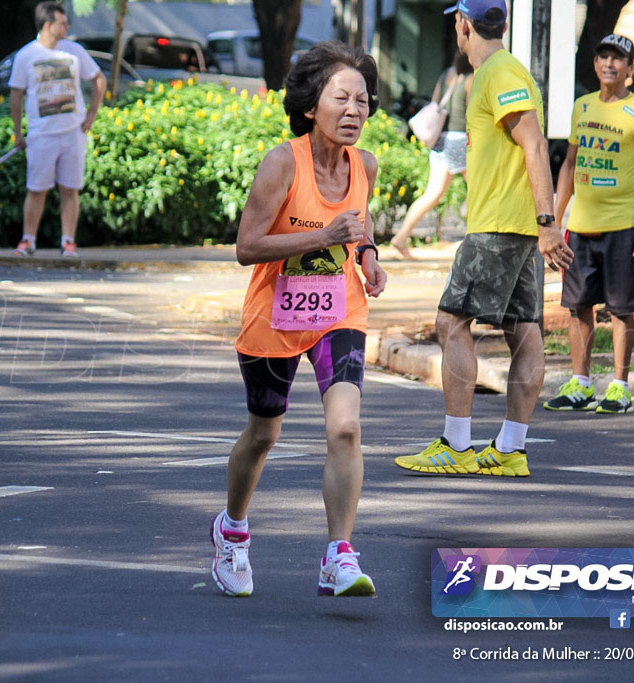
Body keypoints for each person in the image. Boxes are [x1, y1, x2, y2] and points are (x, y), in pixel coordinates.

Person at [209, 41, 387, 598]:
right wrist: (323, 236)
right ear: (312, 105)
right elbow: (247, 246)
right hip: (275, 315)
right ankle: (232, 531)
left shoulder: (366, 166)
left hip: (339, 310)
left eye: (363, 99)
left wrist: (368, 256)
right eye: (342, 98)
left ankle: (339, 554)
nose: (355, 110)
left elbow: (361, 227)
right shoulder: (282, 163)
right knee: (263, 434)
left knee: (346, 427)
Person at [394, 0, 572, 478]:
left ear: (463, 24)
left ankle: (456, 444)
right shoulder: (500, 71)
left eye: (456, 20)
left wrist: (548, 220)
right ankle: (510, 449)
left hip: (500, 224)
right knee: (523, 330)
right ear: (505, 24)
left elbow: (534, 143)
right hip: (517, 225)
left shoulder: (499, 72)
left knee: (451, 322)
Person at [544, 34, 634, 415]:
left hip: (624, 227)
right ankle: (580, 383)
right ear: (595, 64)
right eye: (603, 57)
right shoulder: (582, 107)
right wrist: (554, 218)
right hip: (580, 228)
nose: (610, 64)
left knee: (620, 310)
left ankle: (619, 386)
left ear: (630, 70)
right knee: (577, 306)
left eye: (618, 59)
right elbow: (569, 163)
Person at [9, 1, 106, 259]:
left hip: (72, 132)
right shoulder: (26, 56)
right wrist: (18, 132)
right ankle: (28, 240)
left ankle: (68, 242)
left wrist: (92, 114)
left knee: (70, 189)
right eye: (63, 23)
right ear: (48, 25)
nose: (67, 27)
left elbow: (98, 79)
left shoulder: (74, 51)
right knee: (37, 188)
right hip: (42, 134)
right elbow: (16, 94)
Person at [391, 53, 473, 259]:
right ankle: (475, 241)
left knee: (432, 194)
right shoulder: (471, 77)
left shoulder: (447, 74)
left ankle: (401, 237)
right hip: (460, 139)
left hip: (440, 139)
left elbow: (435, 103)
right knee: (477, 192)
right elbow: (474, 112)